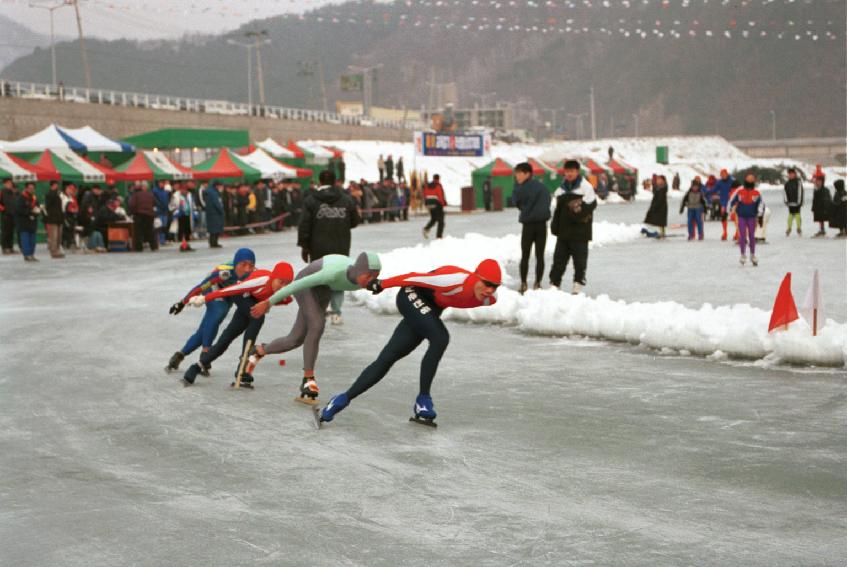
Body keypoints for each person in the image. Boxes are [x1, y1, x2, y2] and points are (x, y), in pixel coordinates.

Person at [318, 259, 501, 427]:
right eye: (487, 284)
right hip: (411, 295)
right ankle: (423, 400)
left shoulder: (488, 299)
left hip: (428, 309)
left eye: (495, 287)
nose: (490, 290)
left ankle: (341, 399)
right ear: (476, 277)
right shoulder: (453, 279)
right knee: (440, 337)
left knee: (388, 357)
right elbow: (413, 277)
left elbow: (445, 301)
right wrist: (382, 284)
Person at [248, 252, 382, 403]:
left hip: (324, 288)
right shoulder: (333, 273)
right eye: (369, 276)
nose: (372, 281)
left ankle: (259, 350)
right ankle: (308, 379)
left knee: (295, 339)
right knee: (317, 324)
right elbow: (297, 285)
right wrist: (269, 302)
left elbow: (390, 282)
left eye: (375, 276)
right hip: (306, 282)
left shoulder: (363, 277)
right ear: (359, 270)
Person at [182, 261, 294, 386]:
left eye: (287, 284)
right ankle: (243, 367)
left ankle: (196, 367)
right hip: (240, 292)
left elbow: (286, 299)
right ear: (274, 277)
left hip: (252, 299)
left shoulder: (285, 295)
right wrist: (204, 298)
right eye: (281, 282)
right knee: (257, 316)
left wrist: (268, 303)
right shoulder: (261, 280)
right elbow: (230, 290)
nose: (283, 287)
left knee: (227, 337)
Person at [165, 248, 256, 373]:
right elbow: (201, 286)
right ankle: (205, 353)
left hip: (229, 292)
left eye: (251, 265)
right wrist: (183, 302)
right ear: (236, 264)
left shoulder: (254, 274)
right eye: (243, 264)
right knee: (218, 312)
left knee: (204, 330)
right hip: (214, 287)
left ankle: (180, 354)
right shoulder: (225, 273)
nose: (247, 269)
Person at [298, 169, 361, 325]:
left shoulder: (311, 200)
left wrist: (305, 246)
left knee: (320, 278)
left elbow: (304, 225)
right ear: (335, 182)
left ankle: (321, 310)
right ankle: (336, 312)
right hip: (341, 246)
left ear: (320, 182)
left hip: (317, 247)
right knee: (338, 278)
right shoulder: (346, 200)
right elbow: (355, 221)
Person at [549, 160, 597, 294]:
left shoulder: (586, 187)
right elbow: (558, 211)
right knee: (558, 260)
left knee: (579, 261)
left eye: (572, 171)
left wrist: (576, 212)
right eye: (567, 171)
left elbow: (591, 206)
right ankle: (555, 283)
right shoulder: (560, 189)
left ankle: (578, 283)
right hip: (563, 233)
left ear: (577, 172)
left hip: (580, 233)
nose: (569, 174)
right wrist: (555, 226)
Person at [512, 162, 551, 293]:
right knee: (540, 256)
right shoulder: (543, 187)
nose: (517, 176)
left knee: (525, 255)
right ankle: (538, 283)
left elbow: (515, 201)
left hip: (528, 226)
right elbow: (548, 201)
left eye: (519, 173)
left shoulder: (521, 188)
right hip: (542, 226)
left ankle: (523, 283)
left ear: (527, 173)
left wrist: (525, 209)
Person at [730, 173, 764, 266]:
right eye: (748, 178)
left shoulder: (757, 193)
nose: (750, 180)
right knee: (742, 236)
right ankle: (742, 254)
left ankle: (752, 254)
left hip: (752, 217)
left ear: (754, 180)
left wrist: (760, 215)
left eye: (752, 178)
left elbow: (761, 205)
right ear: (745, 179)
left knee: (752, 236)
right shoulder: (740, 191)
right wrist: (731, 209)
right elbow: (732, 201)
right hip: (741, 216)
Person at [14, 181, 40, 262]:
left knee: (33, 240)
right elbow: (19, 210)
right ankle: (27, 255)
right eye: (29, 188)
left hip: (32, 222)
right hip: (23, 223)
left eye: (33, 188)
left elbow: (37, 207)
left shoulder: (34, 198)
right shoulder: (21, 197)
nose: (31, 190)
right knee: (25, 240)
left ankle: (32, 254)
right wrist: (30, 212)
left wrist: (37, 211)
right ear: (26, 188)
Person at [128, 181, 158, 252]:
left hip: (139, 215)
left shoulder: (136, 195)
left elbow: (132, 205)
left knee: (138, 232)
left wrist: (133, 212)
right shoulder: (150, 194)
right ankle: (153, 246)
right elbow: (155, 203)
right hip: (150, 215)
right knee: (150, 231)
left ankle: (139, 247)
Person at [44, 180, 65, 258]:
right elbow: (48, 205)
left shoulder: (59, 194)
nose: (57, 186)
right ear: (52, 185)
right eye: (55, 185)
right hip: (52, 218)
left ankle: (58, 249)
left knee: (59, 236)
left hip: (59, 218)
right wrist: (55, 194)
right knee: (54, 236)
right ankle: (53, 251)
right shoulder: (49, 194)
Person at [422, 174, 447, 239]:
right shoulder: (438, 185)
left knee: (434, 219)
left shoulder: (427, 186)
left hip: (429, 204)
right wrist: (443, 204)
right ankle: (439, 236)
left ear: (433, 178)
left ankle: (426, 228)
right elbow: (440, 196)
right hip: (437, 204)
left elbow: (424, 195)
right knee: (441, 221)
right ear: (438, 179)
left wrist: (426, 203)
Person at [714, 169, 734, 240]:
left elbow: (738, 189)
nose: (723, 176)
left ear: (727, 174)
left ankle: (738, 232)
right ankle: (725, 232)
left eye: (724, 174)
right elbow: (714, 189)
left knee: (734, 217)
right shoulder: (719, 182)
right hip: (723, 202)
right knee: (723, 217)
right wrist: (706, 191)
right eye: (722, 175)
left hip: (732, 201)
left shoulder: (732, 181)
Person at [204, 180, 225, 247]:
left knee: (213, 229)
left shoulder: (210, 192)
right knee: (216, 229)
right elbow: (217, 203)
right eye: (221, 186)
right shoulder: (214, 193)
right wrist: (222, 211)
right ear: (217, 186)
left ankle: (213, 242)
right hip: (215, 213)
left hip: (211, 213)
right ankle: (214, 243)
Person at [784, 167, 804, 237]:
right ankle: (789, 228)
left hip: (797, 202)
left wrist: (799, 201)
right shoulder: (787, 183)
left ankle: (799, 228)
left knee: (797, 214)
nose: (791, 175)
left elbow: (800, 192)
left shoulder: (798, 182)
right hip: (790, 202)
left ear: (795, 174)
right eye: (789, 174)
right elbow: (785, 193)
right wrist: (786, 201)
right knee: (790, 215)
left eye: (792, 174)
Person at [0, 178, 17, 254]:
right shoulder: (2, 191)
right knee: (5, 232)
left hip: (13, 214)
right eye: (8, 183)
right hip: (6, 215)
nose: (10, 184)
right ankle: (4, 248)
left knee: (11, 231)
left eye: (11, 183)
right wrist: (3, 209)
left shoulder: (12, 192)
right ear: (5, 184)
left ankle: (10, 247)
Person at [61, 183, 79, 251]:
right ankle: (62, 244)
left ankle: (70, 243)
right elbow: (63, 207)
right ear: (67, 189)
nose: (72, 192)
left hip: (71, 216)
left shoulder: (72, 198)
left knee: (70, 229)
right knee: (64, 230)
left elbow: (76, 207)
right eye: (70, 190)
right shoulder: (62, 196)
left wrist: (75, 210)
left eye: (73, 191)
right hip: (64, 215)